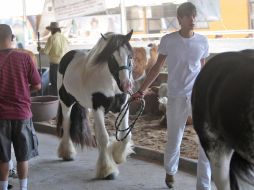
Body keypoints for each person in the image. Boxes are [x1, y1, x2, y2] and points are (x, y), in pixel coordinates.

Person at [132, 2, 211, 190]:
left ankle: (204, 186)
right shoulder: (169, 40)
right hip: (175, 98)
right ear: (180, 19)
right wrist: (141, 90)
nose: (193, 19)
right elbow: (157, 67)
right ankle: (170, 171)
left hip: (197, 97)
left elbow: (204, 68)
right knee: (175, 137)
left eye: (194, 15)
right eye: (188, 16)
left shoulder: (203, 41)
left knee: (205, 142)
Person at [0, 24, 41, 190]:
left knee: (2, 158)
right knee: (22, 157)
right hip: (22, 114)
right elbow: (37, 85)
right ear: (11, 39)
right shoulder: (24, 58)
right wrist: (25, 90)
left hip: (0, 116)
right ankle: (23, 188)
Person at [38, 21, 69, 96]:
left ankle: (55, 100)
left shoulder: (51, 38)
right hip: (65, 64)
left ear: (52, 30)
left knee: (54, 83)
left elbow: (45, 51)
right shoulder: (64, 38)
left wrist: (39, 49)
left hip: (55, 65)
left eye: (51, 30)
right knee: (62, 83)